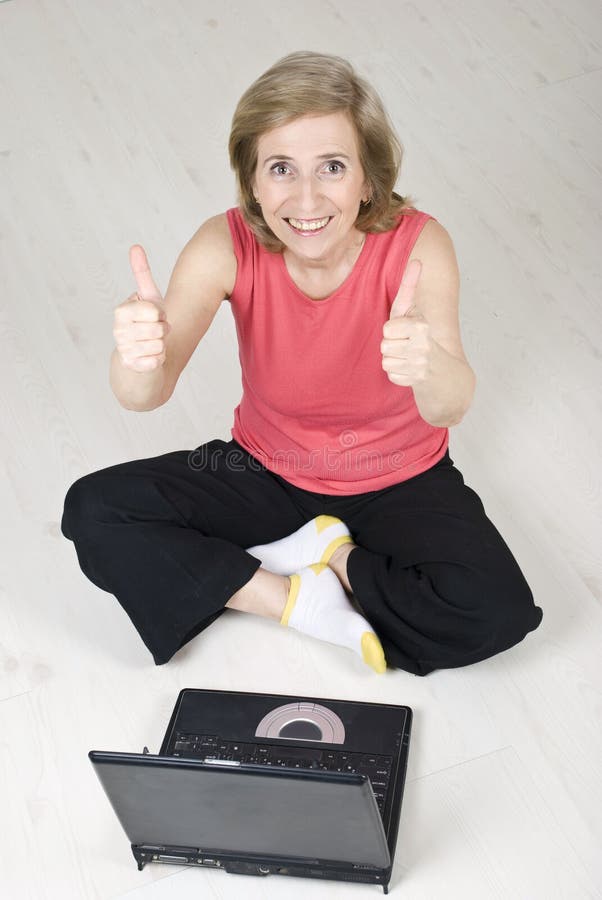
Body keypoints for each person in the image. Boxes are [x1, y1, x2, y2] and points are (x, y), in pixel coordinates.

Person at [61, 51, 543, 676]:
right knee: (94, 509)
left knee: (497, 612)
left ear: (369, 178)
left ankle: (329, 557)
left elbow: (449, 404)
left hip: (400, 477)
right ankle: (290, 596)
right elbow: (143, 394)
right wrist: (137, 354)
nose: (307, 197)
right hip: (264, 469)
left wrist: (425, 362)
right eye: (281, 168)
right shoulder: (224, 242)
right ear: (254, 183)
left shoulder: (418, 243)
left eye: (333, 168)